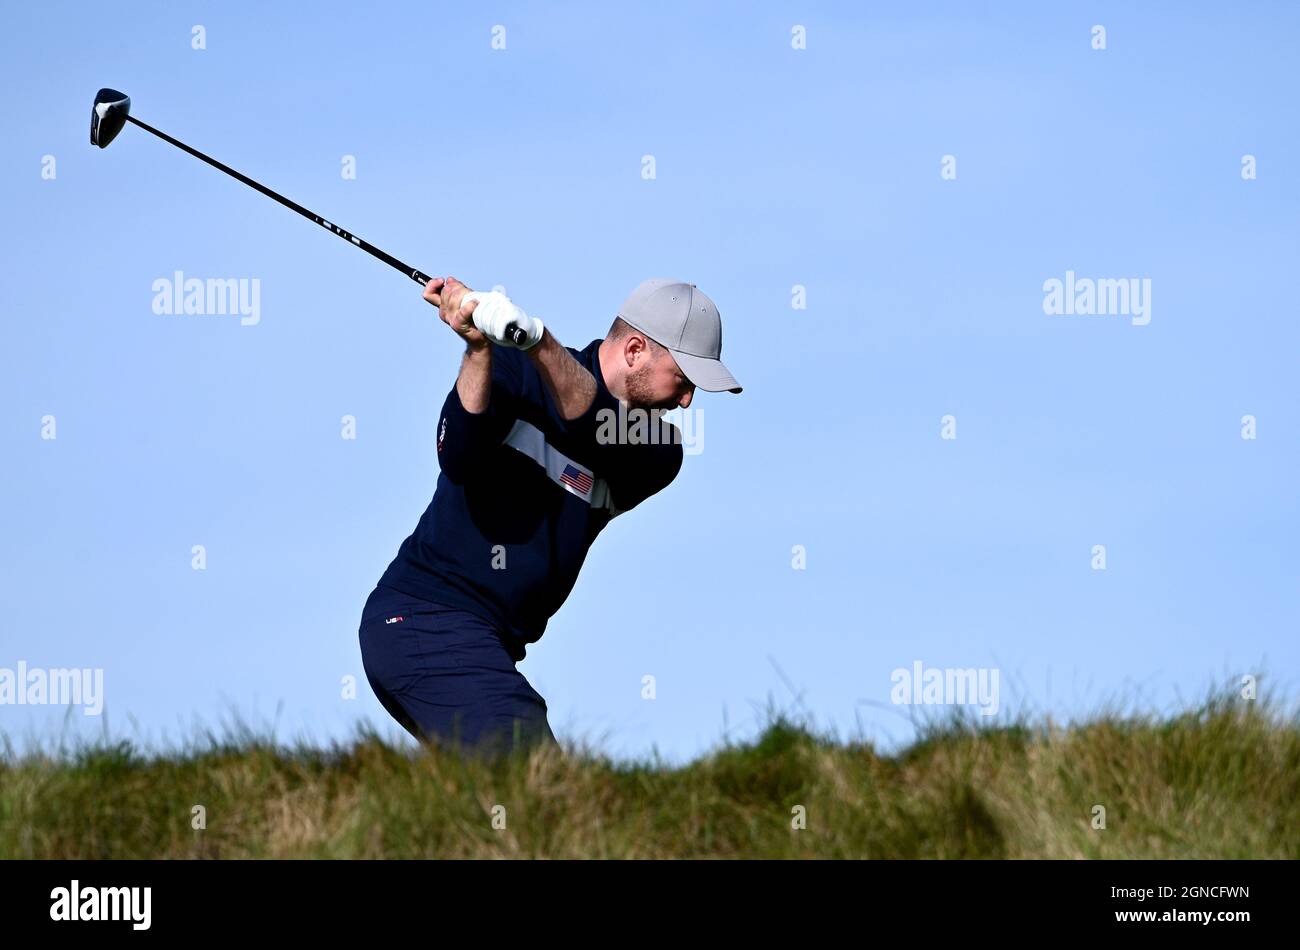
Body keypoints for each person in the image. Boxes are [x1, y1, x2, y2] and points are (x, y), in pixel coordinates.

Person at [357, 276, 742, 757]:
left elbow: (596, 426)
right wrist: (478, 350)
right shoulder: (517, 373)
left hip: (483, 644)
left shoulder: (660, 453)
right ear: (635, 350)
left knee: (520, 800)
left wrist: (537, 340)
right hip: (423, 621)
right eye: (682, 380)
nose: (686, 401)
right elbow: (456, 455)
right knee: (537, 779)